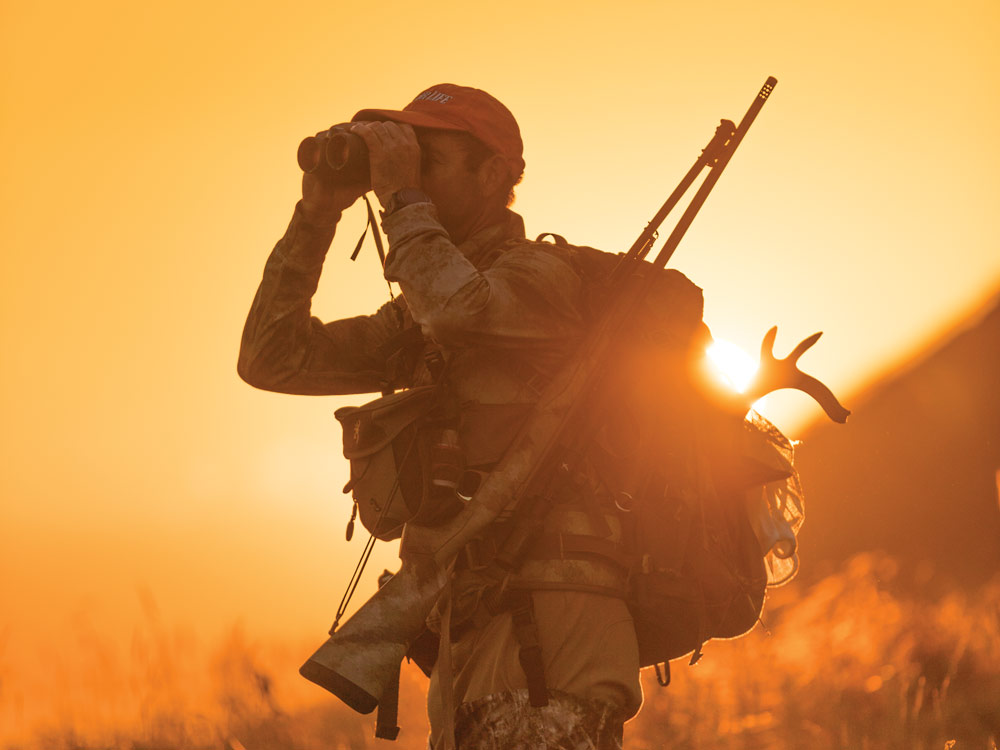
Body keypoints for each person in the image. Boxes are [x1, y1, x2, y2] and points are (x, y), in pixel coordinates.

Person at [238, 84, 644, 748]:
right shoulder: (422, 318)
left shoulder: (543, 279)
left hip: (549, 628)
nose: (404, 170)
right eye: (400, 157)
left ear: (493, 175)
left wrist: (403, 200)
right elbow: (272, 358)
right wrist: (316, 213)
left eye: (427, 157)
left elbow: (461, 310)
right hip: (473, 624)